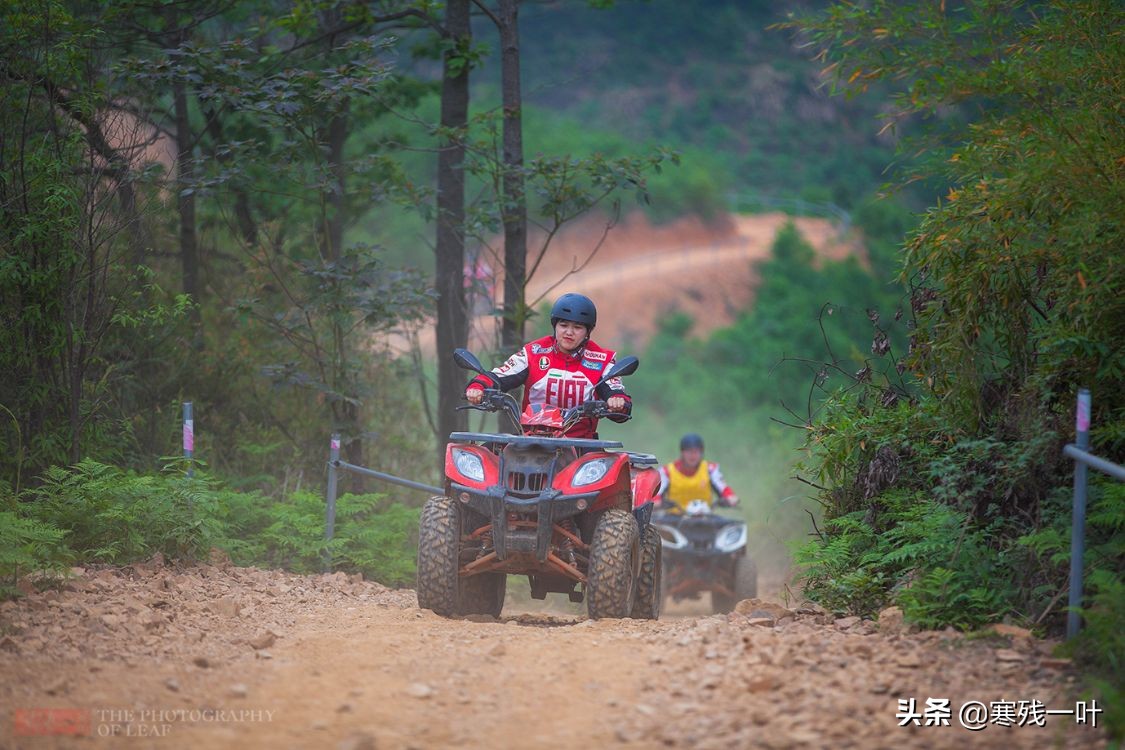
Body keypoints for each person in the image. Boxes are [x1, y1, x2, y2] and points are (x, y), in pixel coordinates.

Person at [465, 293, 630, 439]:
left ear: (588, 332)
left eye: (577, 327)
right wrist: (478, 386)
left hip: (581, 447)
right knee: (485, 462)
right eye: (563, 325)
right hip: (531, 440)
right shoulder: (533, 353)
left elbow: (616, 393)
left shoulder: (602, 360)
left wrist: (617, 402)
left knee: (606, 471)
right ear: (555, 326)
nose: (569, 332)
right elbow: (500, 376)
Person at [657, 433, 739, 512]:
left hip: (704, 518)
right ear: (682, 452)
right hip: (673, 520)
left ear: (701, 453)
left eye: (696, 452)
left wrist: (730, 497)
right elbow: (656, 495)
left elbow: (723, 488)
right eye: (689, 452)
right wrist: (657, 502)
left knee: (736, 525)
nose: (693, 456)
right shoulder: (667, 471)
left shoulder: (710, 469)